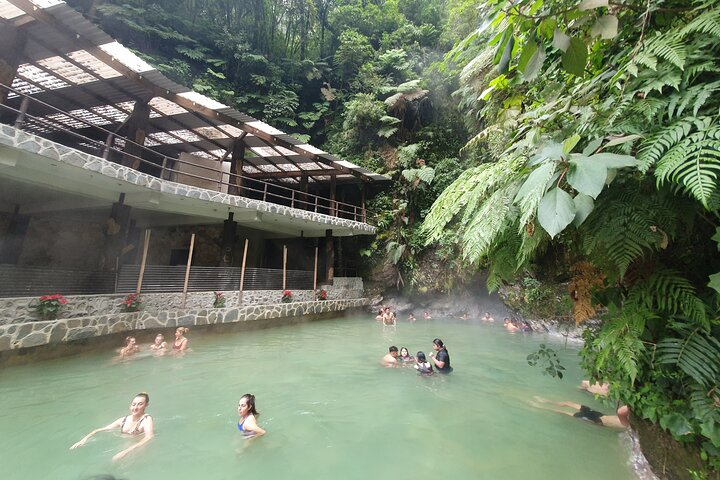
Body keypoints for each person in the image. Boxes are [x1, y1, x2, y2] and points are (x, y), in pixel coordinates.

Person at [70, 393, 155, 461]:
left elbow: (149, 437)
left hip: (138, 449)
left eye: (140, 404)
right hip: (124, 447)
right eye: (133, 404)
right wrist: (83, 440)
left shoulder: (147, 419)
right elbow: (102, 430)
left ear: (146, 405)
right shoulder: (123, 420)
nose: (135, 407)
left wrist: (126, 452)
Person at [529, 396, 630, 429]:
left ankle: (542, 404)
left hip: (597, 417)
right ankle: (544, 403)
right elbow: (620, 413)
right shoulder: (627, 425)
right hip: (597, 417)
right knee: (565, 410)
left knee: (565, 408)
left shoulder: (627, 423)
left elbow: (621, 412)